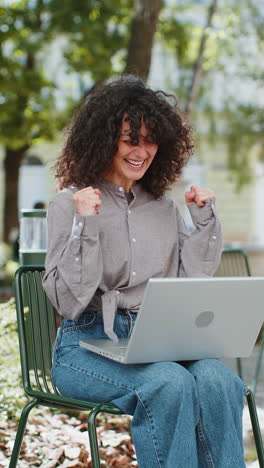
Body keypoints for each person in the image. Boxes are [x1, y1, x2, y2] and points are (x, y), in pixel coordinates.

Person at [43, 75, 246, 467]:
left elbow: (192, 285)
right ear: (104, 140)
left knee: (219, 380)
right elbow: (69, 302)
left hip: (161, 341)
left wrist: (204, 222)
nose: (142, 151)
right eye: (129, 139)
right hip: (85, 346)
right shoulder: (70, 205)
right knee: (169, 384)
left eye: (150, 139)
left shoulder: (165, 208)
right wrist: (84, 225)